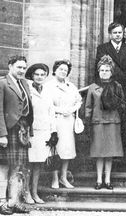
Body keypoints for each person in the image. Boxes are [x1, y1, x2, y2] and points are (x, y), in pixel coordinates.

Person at [85, 55, 124, 190]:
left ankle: (107, 180)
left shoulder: (117, 86)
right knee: (99, 152)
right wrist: (87, 122)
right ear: (98, 71)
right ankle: (98, 179)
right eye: (102, 70)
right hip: (98, 122)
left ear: (111, 72)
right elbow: (88, 106)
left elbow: (122, 104)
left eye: (107, 70)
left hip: (113, 122)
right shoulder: (93, 87)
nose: (104, 73)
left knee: (109, 153)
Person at [0, 55, 33, 214]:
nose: (22, 70)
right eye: (19, 67)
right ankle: (2, 203)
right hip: (8, 130)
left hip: (22, 131)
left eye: (24, 68)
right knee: (4, 167)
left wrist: (29, 131)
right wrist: (2, 134)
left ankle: (14, 201)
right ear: (10, 66)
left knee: (19, 167)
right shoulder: (2, 83)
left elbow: (29, 110)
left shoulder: (25, 83)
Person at [45, 60, 82, 189]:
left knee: (67, 150)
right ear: (55, 70)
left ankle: (63, 177)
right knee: (55, 149)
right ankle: (54, 178)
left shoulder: (71, 86)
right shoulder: (49, 86)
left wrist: (71, 110)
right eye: (61, 69)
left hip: (68, 121)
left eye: (66, 70)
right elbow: (47, 104)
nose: (63, 72)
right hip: (55, 120)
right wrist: (61, 110)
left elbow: (79, 101)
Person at [25, 63, 57, 204]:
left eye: (42, 75)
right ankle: (26, 193)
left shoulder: (48, 91)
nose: (39, 77)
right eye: (37, 74)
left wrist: (53, 132)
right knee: (28, 164)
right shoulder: (27, 89)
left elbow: (51, 113)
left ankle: (34, 192)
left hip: (44, 132)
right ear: (32, 75)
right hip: (31, 132)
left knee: (38, 164)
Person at [95, 22, 126, 91]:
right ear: (110, 34)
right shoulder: (102, 48)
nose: (118, 35)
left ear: (123, 34)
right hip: (109, 86)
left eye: (120, 33)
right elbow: (103, 67)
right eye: (115, 33)